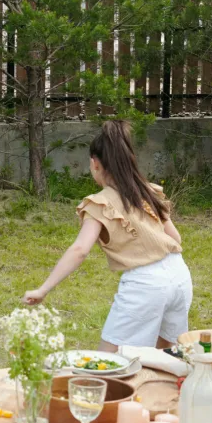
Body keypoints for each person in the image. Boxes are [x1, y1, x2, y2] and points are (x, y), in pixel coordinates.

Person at [21, 120, 192, 352]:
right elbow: (176, 239)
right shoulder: (147, 191)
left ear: (94, 163)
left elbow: (79, 250)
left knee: (111, 360)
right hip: (179, 275)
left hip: (145, 283)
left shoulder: (99, 203)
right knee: (167, 356)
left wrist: (43, 289)